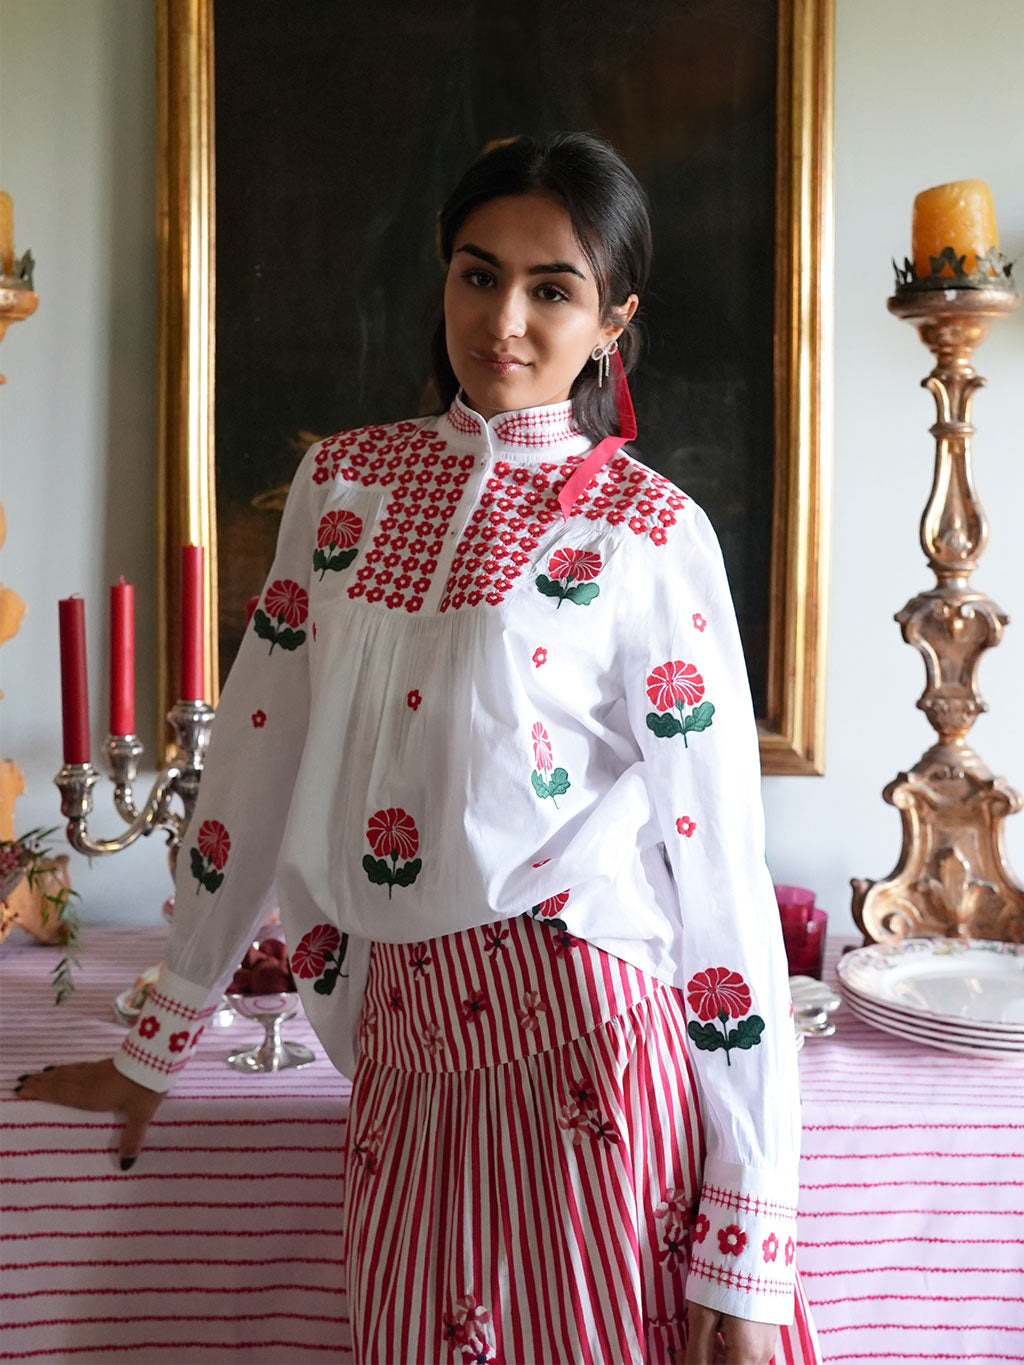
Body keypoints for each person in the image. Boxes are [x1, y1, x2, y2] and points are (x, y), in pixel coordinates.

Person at [18, 133, 821, 1365]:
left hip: (589, 1060)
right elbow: (255, 762)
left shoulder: (650, 533)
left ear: (613, 319)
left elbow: (717, 878)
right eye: (475, 272)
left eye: (552, 287)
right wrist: (155, 1043)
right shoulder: (340, 488)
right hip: (397, 1056)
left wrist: (747, 1246)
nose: (504, 316)